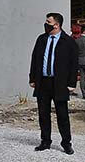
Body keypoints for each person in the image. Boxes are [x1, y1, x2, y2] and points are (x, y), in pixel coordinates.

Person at [28, 12, 77, 154]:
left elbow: (73, 64)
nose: (46, 24)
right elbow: (35, 59)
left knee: (62, 115)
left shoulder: (68, 42)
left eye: (48, 22)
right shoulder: (42, 39)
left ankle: (66, 143)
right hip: (43, 82)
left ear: (56, 25)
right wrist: (32, 78)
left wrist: (72, 83)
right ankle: (45, 141)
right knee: (43, 113)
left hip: (60, 83)